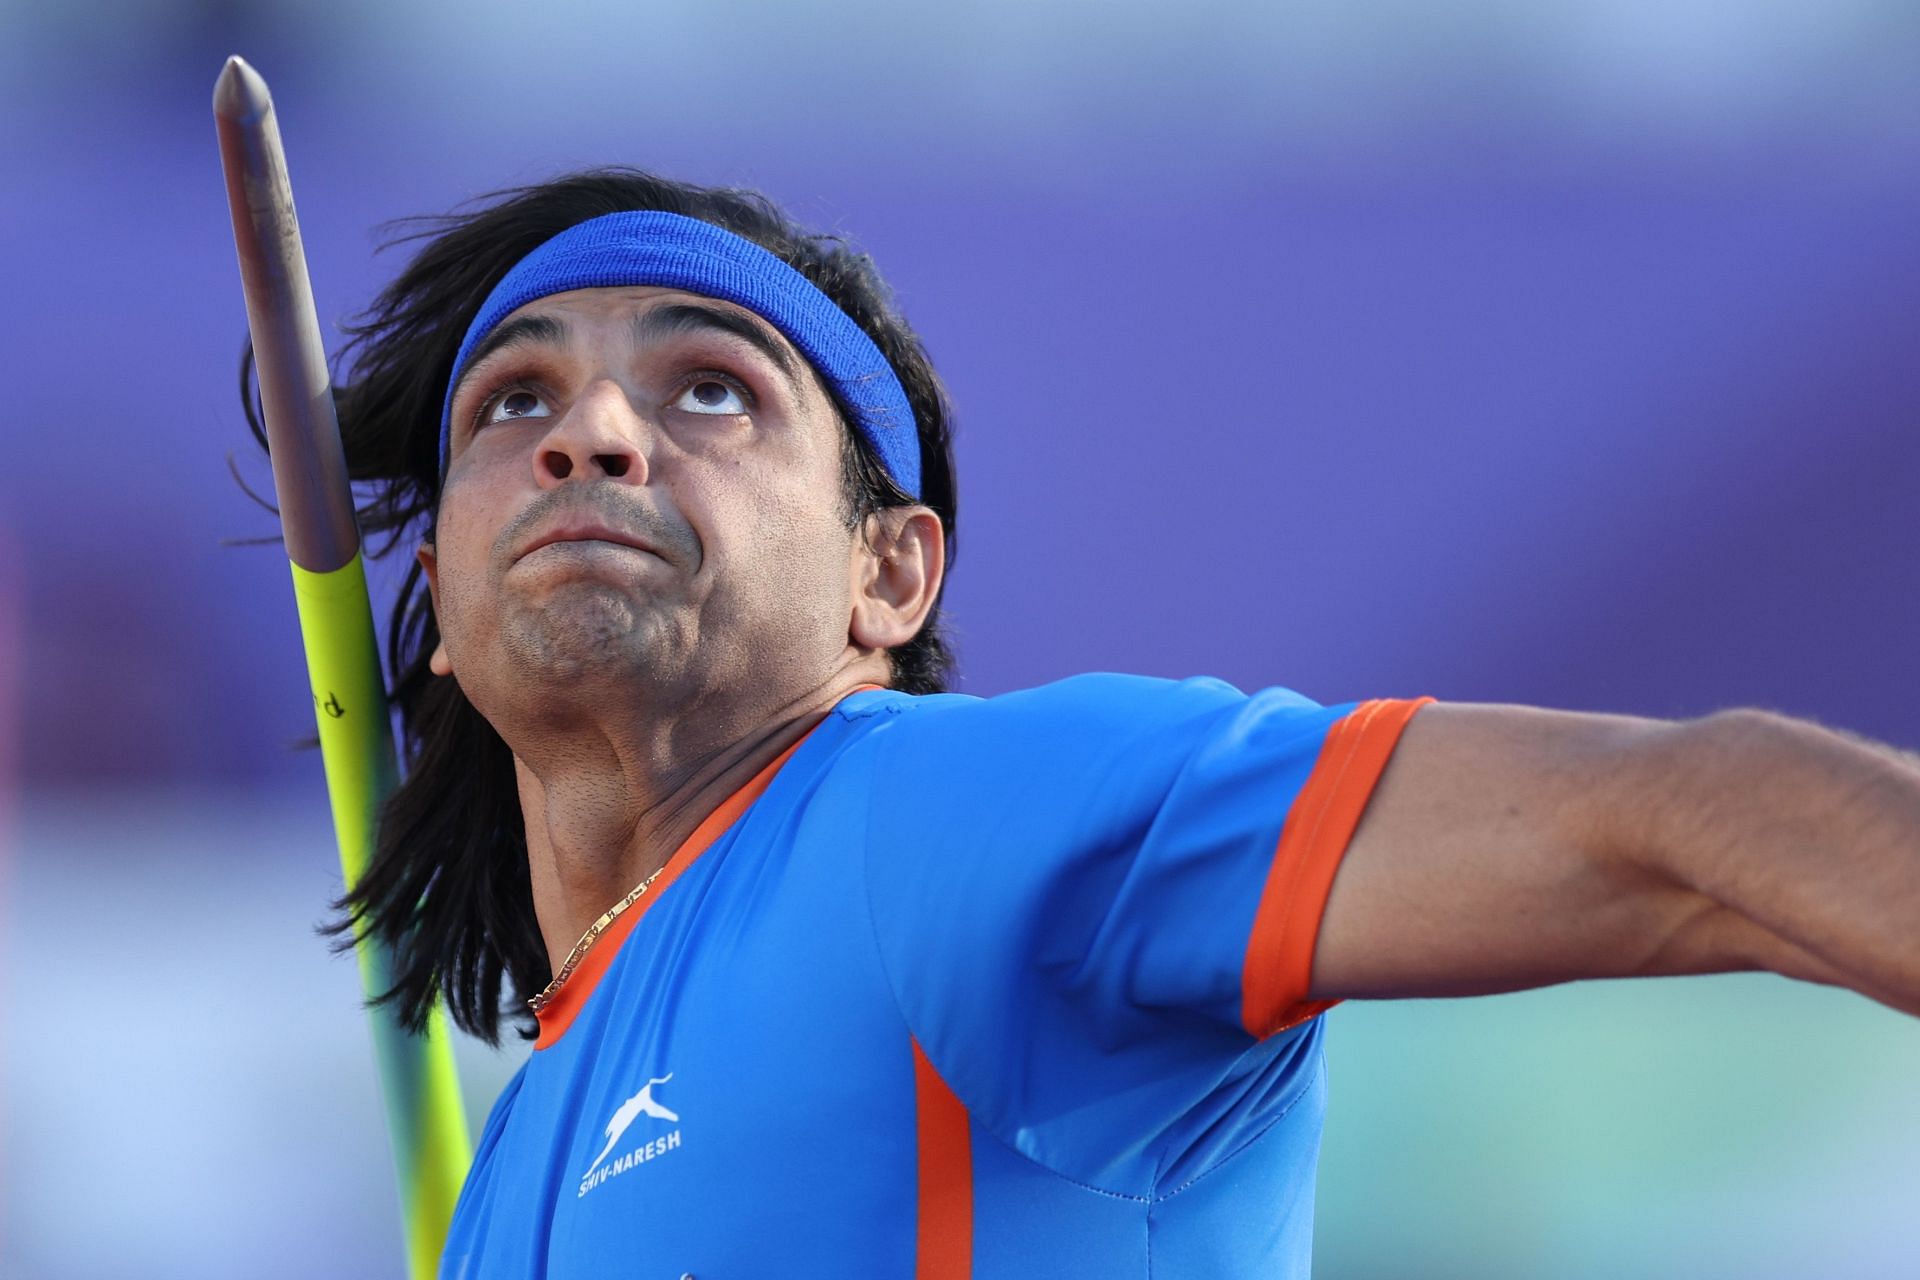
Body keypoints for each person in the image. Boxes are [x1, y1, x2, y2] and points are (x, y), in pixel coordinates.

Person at [254, 168, 1918, 1279]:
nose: (592, 431)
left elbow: (1688, 823)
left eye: (711, 389)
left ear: (888, 578)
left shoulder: (944, 818)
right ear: (449, 624)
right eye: (513, 402)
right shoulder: (525, 1148)